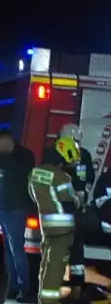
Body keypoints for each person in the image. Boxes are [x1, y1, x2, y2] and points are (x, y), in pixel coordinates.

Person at [28, 137, 82, 304]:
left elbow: (32, 196)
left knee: (45, 263)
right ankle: (50, 303)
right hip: (63, 227)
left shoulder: (35, 172)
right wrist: (79, 200)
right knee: (56, 266)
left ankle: (42, 298)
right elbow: (70, 203)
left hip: (46, 226)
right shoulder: (62, 177)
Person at [0, 130, 35, 301]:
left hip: (15, 209)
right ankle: (12, 287)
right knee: (6, 250)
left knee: (17, 251)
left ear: (6, 140)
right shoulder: (1, 157)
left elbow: (17, 174)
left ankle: (25, 288)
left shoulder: (24, 156)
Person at [61, 124, 94, 289]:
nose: (77, 146)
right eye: (74, 141)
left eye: (78, 142)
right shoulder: (56, 154)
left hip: (78, 210)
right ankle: (55, 280)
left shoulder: (84, 155)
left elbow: (90, 178)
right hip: (61, 209)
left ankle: (77, 284)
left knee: (76, 246)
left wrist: (84, 194)